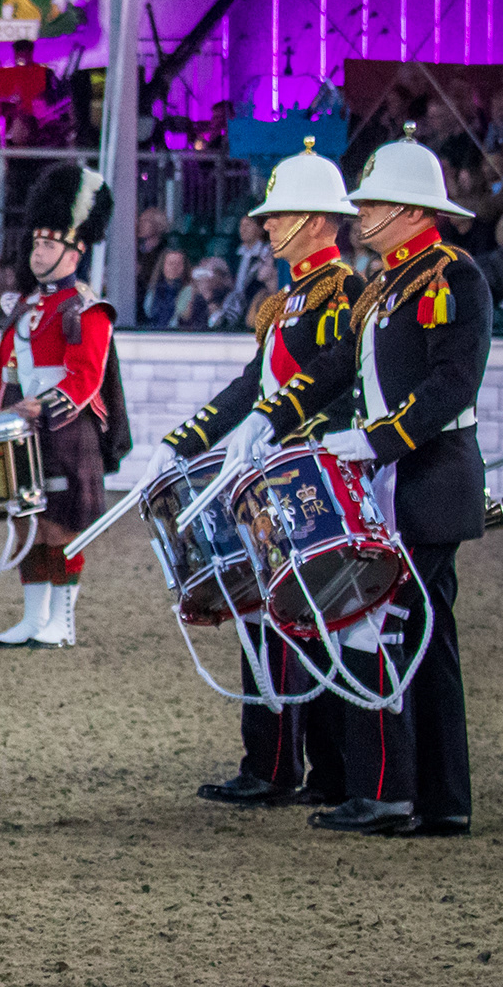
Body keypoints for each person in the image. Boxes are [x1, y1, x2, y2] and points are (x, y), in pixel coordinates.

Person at [228, 138, 489, 837]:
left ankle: (386, 794)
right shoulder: (388, 284)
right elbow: (338, 364)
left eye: (375, 202)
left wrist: (378, 439)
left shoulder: (451, 276)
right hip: (401, 478)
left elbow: (451, 384)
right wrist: (270, 414)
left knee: (381, 624)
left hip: (429, 476)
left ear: (412, 210)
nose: (361, 212)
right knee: (424, 640)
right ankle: (440, 799)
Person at [156, 139, 362, 810]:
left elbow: (334, 380)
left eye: (282, 214)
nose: (266, 223)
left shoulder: (343, 291)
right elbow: (253, 385)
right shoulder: (291, 298)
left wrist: (276, 424)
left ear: (319, 222)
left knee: (311, 619)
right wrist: (188, 438)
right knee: (272, 618)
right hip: (272, 470)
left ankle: (318, 769)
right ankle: (276, 763)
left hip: (308, 472)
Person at [0, 163, 129, 649]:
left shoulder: (87, 308)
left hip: (66, 430)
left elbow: (86, 376)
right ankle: (34, 618)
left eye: (48, 246)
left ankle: (62, 623)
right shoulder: (25, 307)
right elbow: (7, 373)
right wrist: (0, 418)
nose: (37, 253)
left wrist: (41, 407)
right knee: (26, 526)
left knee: (61, 528)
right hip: (23, 428)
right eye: (36, 244)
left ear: (75, 251)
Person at [142, 248, 189, 326]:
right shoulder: (153, 291)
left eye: (178, 264)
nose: (174, 268)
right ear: (163, 266)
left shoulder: (189, 291)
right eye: (170, 264)